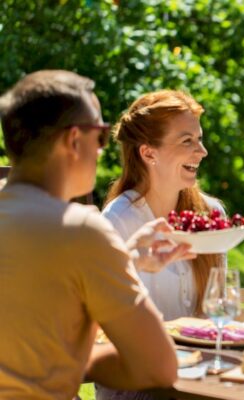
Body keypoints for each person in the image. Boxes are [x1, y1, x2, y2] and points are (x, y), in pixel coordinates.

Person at [0, 70, 188, 398]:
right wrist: (68, 359)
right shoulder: (81, 231)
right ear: (74, 140)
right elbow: (159, 365)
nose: (102, 150)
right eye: (100, 136)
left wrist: (125, 259)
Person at [102, 90, 224, 321]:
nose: (203, 152)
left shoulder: (212, 214)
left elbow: (218, 312)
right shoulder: (118, 220)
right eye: (187, 141)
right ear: (149, 153)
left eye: (199, 139)